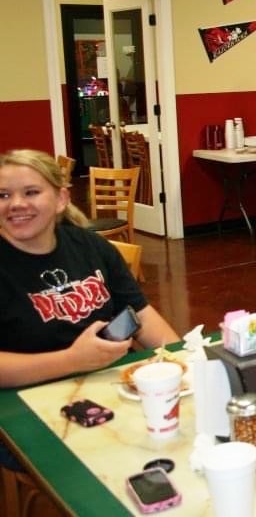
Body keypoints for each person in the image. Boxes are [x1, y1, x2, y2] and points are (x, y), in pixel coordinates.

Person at [0, 149, 180, 389]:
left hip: (112, 381)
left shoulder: (90, 245)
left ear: (61, 199)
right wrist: (71, 361)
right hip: (32, 393)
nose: (16, 204)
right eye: (3, 195)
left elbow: (141, 314)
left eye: (31, 192)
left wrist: (181, 362)